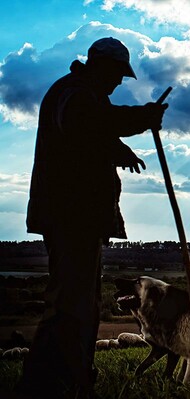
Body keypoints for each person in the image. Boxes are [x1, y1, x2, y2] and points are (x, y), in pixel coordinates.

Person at [18, 37, 168, 398]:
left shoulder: (80, 94)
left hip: (75, 217)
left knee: (77, 303)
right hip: (72, 216)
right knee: (72, 305)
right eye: (118, 74)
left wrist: (119, 149)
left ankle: (62, 381)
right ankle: (62, 383)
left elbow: (89, 138)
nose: (119, 83)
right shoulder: (75, 93)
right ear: (101, 65)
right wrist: (142, 116)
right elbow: (87, 124)